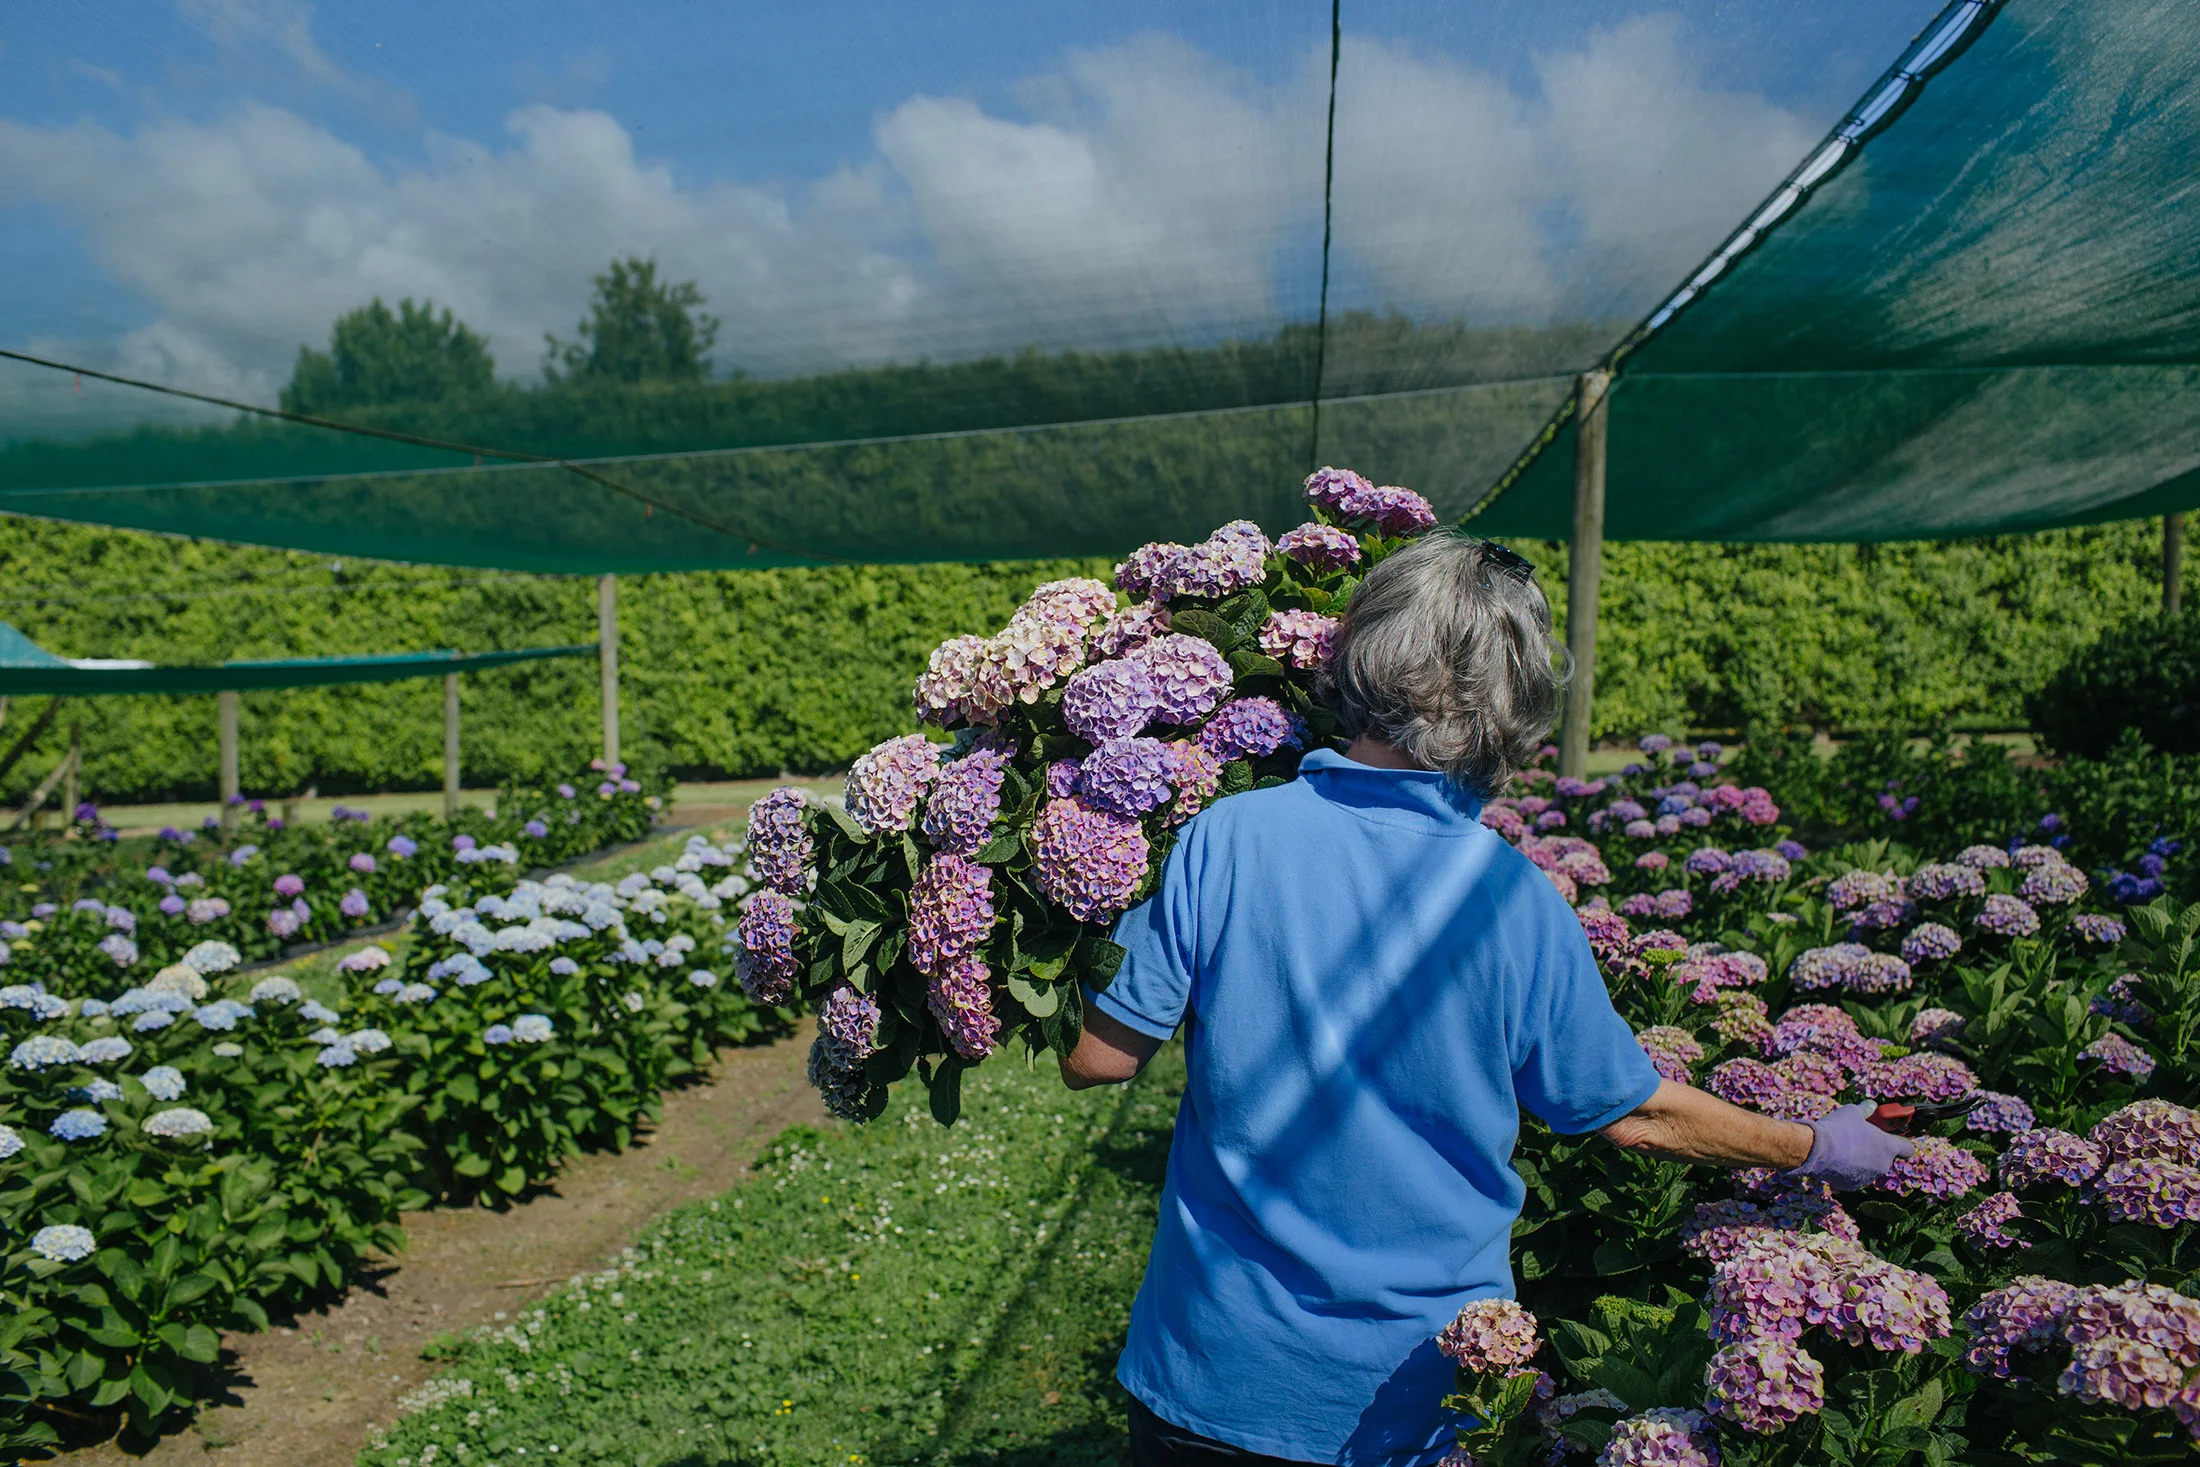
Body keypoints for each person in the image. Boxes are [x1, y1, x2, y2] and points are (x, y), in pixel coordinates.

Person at [1061, 532, 1912, 1467]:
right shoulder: (1516, 900)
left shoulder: (1228, 837)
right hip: (1416, 1394)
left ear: (1360, 657)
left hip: (1213, 1373)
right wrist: (1819, 1144)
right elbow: (1628, 1113)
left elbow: (1097, 1056)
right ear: (1513, 704)